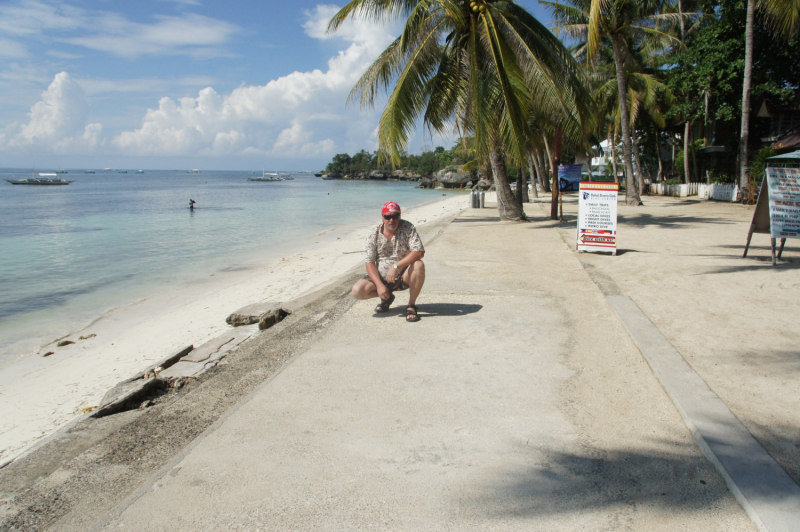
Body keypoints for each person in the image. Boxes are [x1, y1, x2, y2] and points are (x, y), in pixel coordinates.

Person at [351, 201, 425, 322]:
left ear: (400, 216)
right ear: (382, 218)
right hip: (381, 277)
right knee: (357, 291)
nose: (392, 220)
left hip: (403, 276)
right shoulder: (373, 233)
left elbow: (419, 252)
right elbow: (369, 262)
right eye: (387, 216)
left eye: (395, 216)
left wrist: (396, 266)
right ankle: (387, 297)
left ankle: (411, 305)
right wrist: (379, 285)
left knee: (419, 264)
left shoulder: (408, 228)